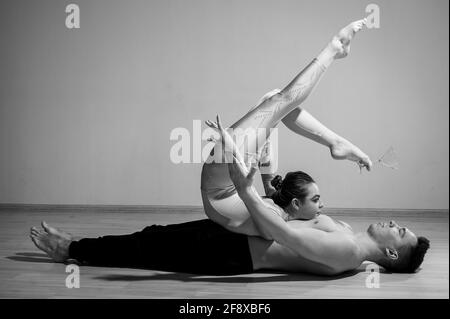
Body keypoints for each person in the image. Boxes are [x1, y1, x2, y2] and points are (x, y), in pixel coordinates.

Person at [30, 19, 430, 276]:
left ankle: (332, 51)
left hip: (234, 252)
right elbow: (283, 219)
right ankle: (337, 143)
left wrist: (245, 184)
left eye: (402, 232)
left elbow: (282, 234)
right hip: (237, 230)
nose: (397, 223)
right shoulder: (346, 237)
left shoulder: (345, 250)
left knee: (277, 102)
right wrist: (268, 178)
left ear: (392, 255)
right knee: (153, 238)